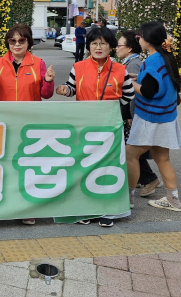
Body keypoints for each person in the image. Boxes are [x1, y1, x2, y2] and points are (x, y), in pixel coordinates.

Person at [56, 26, 135, 227]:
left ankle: (108, 210)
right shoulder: (79, 67)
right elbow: (72, 88)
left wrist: (111, 112)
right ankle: (86, 208)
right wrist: (65, 90)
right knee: (85, 166)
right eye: (94, 43)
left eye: (103, 44)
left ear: (111, 47)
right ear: (88, 46)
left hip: (110, 128)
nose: (98, 47)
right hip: (84, 127)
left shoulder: (120, 70)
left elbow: (128, 96)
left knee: (108, 167)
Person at [0, 24, 55, 225]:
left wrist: (49, 81)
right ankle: (6, 205)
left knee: (27, 166)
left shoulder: (38, 63)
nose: (17, 44)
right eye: (12, 41)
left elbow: (45, 94)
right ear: (8, 43)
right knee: (5, 164)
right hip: (4, 123)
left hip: (30, 124)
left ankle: (27, 208)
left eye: (21, 40)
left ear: (28, 42)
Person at [126, 22, 181, 212]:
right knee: (163, 159)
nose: (138, 40)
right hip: (166, 117)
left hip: (150, 118)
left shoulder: (152, 61)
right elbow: (159, 84)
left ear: (148, 40)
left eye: (139, 37)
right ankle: (173, 200)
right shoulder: (165, 58)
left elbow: (148, 92)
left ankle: (128, 198)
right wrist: (138, 78)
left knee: (130, 155)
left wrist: (127, 82)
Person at [116, 30, 161, 197]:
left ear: (129, 48)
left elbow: (133, 93)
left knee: (132, 150)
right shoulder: (130, 62)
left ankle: (149, 179)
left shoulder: (133, 64)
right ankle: (147, 179)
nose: (116, 48)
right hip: (129, 113)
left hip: (131, 114)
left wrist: (131, 115)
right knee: (131, 149)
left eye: (120, 45)